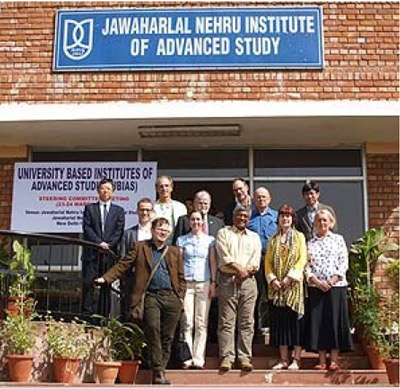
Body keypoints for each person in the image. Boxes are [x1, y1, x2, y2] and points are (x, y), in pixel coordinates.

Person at [95, 217, 186, 385]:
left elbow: (181, 277)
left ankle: (160, 371)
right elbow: (123, 265)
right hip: (151, 296)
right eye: (160, 229)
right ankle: (158, 371)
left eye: (166, 230)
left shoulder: (175, 251)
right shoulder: (140, 247)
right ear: (152, 230)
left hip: (172, 298)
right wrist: (105, 278)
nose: (163, 233)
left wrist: (180, 296)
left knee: (168, 336)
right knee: (153, 330)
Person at [305, 209, 353, 371]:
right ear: (315, 224)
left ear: (331, 222)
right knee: (319, 324)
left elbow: (343, 262)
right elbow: (306, 267)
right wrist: (317, 282)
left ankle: (333, 360)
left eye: (325, 220)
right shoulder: (310, 243)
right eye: (319, 220)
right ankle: (321, 361)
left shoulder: (338, 240)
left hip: (336, 288)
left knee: (333, 322)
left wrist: (331, 281)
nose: (322, 223)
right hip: (316, 288)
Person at [216, 206, 262, 372]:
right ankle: (227, 357)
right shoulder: (223, 233)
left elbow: (256, 260)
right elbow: (224, 256)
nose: (242, 218)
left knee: (246, 322)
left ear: (248, 219)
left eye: (245, 216)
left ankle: (244, 357)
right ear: (233, 216)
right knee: (226, 321)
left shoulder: (254, 237)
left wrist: (245, 272)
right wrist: (239, 270)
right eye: (239, 215)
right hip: (228, 280)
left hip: (248, 282)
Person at [265, 204, 307, 370]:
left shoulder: (300, 237)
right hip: (277, 289)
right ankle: (283, 359)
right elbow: (267, 262)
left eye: (288, 216)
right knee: (281, 324)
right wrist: (273, 279)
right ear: (279, 219)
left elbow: (302, 259)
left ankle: (296, 359)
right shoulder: (273, 239)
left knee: (295, 324)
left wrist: (290, 277)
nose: (285, 219)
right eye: (282, 216)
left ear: (292, 219)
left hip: (293, 287)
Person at [176, 211, 218, 369]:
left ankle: (199, 358)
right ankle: (187, 357)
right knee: (187, 322)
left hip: (204, 282)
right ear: (189, 221)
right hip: (187, 283)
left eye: (198, 219)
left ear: (203, 222)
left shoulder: (210, 241)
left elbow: (212, 262)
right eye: (193, 219)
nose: (195, 222)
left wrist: (214, 283)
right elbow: (179, 264)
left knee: (201, 322)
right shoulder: (182, 240)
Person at [81, 178, 125, 318]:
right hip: (92, 253)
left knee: (106, 285)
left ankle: (103, 316)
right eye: (102, 188)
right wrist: (98, 242)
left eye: (108, 189)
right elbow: (87, 228)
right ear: (98, 190)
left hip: (108, 255)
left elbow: (119, 231)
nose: (105, 191)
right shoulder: (90, 208)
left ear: (113, 192)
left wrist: (108, 245)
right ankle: (86, 316)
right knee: (88, 285)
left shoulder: (119, 211)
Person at [247, 187, 278, 334]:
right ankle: (257, 328)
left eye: (264, 197)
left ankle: (274, 326)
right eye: (258, 197)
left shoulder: (276, 217)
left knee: (273, 293)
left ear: (269, 198)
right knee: (257, 295)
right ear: (254, 200)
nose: (261, 199)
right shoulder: (249, 218)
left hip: (272, 260)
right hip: (256, 260)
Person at [118, 197, 154, 320]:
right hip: (133, 280)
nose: (144, 213)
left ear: (152, 212)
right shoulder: (128, 234)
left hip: (153, 280)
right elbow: (122, 258)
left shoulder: (157, 233)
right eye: (142, 210)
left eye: (148, 210)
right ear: (137, 211)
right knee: (132, 315)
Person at [153, 176, 187, 245]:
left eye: (166, 186)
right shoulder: (152, 207)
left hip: (176, 246)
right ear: (156, 189)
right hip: (156, 246)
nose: (164, 189)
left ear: (171, 188)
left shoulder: (181, 207)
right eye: (161, 186)